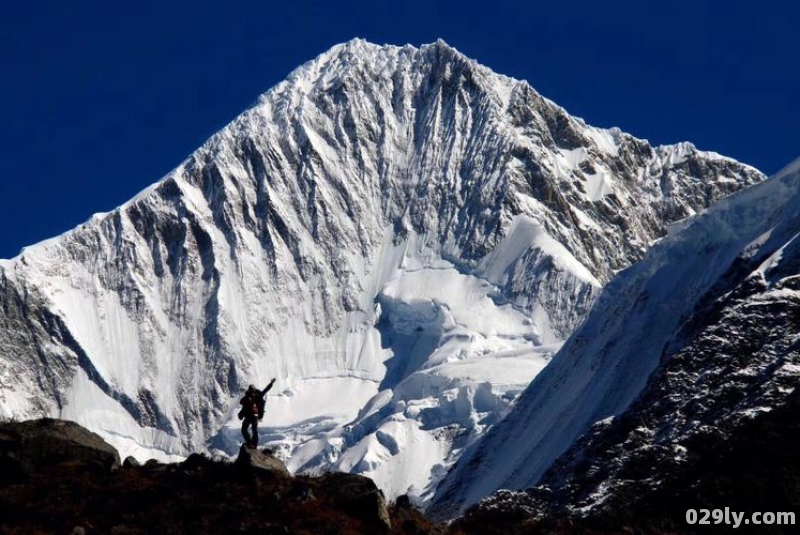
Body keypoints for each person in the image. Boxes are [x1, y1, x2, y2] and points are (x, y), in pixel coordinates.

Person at [238, 378, 276, 448]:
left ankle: (251, 443)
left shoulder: (250, 397)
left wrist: (241, 415)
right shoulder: (256, 396)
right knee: (252, 429)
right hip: (253, 415)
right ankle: (252, 444)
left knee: (246, 429)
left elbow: (243, 406)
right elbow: (265, 390)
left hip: (251, 416)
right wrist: (271, 383)